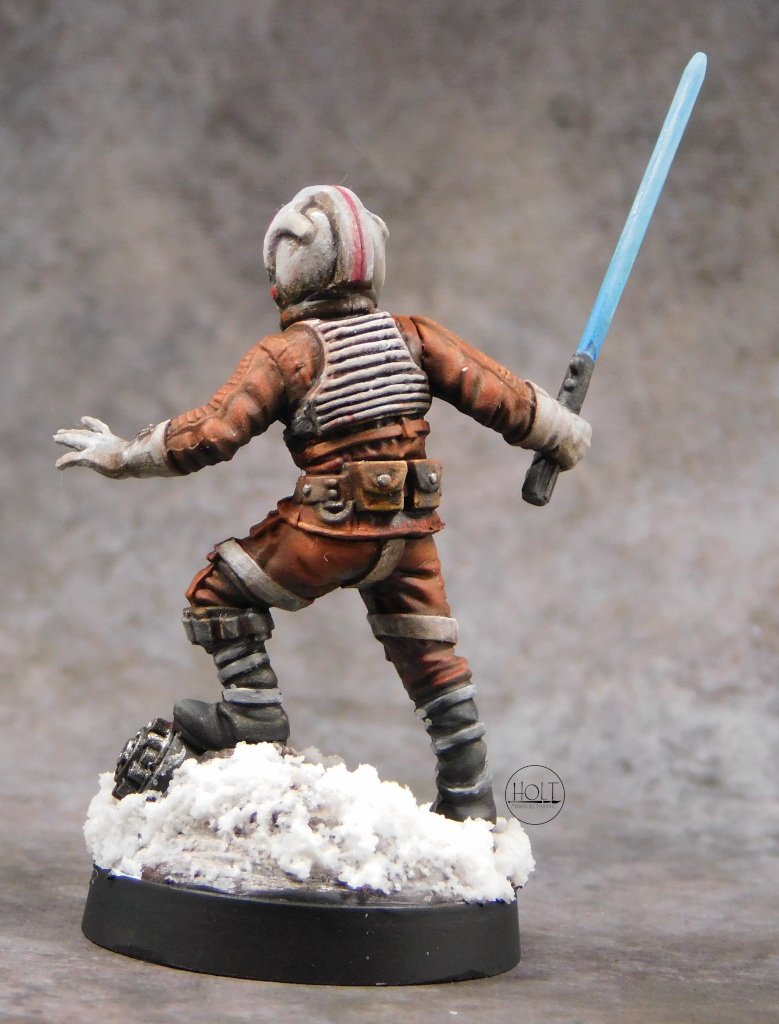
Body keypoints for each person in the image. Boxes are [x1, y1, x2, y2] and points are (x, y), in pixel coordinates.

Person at [55, 185, 591, 823]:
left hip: (328, 530)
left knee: (218, 593)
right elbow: (503, 397)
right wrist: (561, 432)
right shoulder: (415, 336)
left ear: (287, 271)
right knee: (432, 659)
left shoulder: (288, 355)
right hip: (411, 535)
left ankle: (253, 713)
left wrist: (124, 455)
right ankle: (468, 793)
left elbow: (213, 432)